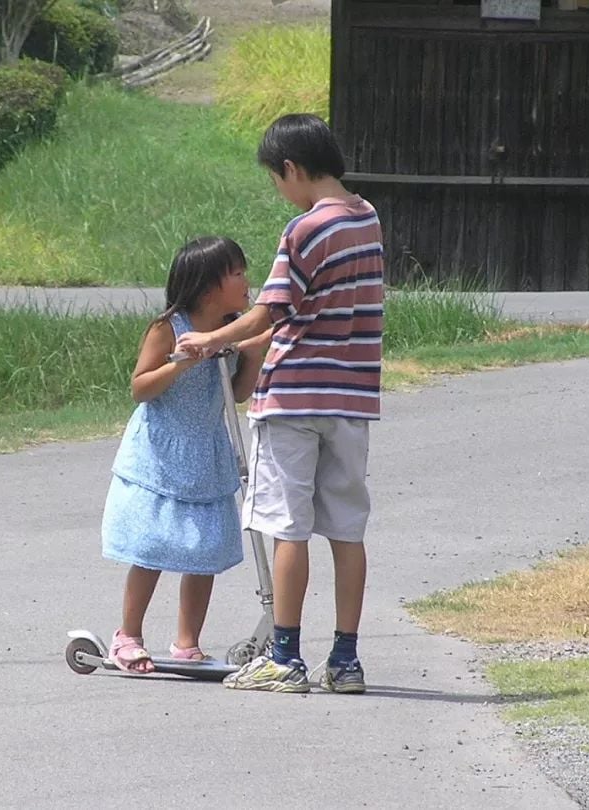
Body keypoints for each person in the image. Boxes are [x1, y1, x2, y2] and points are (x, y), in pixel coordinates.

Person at [176, 114, 384, 694]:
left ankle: (285, 657)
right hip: (351, 398)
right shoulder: (368, 219)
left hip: (293, 396)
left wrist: (212, 340)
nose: (279, 189)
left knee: (286, 527)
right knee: (346, 528)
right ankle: (345, 661)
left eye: (276, 178)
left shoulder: (303, 230)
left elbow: (271, 311)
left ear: (291, 169)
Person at [101, 236, 266, 673]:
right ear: (208, 288)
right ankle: (128, 635)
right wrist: (182, 361)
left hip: (208, 452)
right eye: (236, 273)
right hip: (162, 452)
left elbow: (237, 394)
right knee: (151, 543)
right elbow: (140, 387)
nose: (246, 280)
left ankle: (187, 642)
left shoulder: (232, 328)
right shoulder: (168, 328)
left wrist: (251, 356)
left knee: (204, 548)